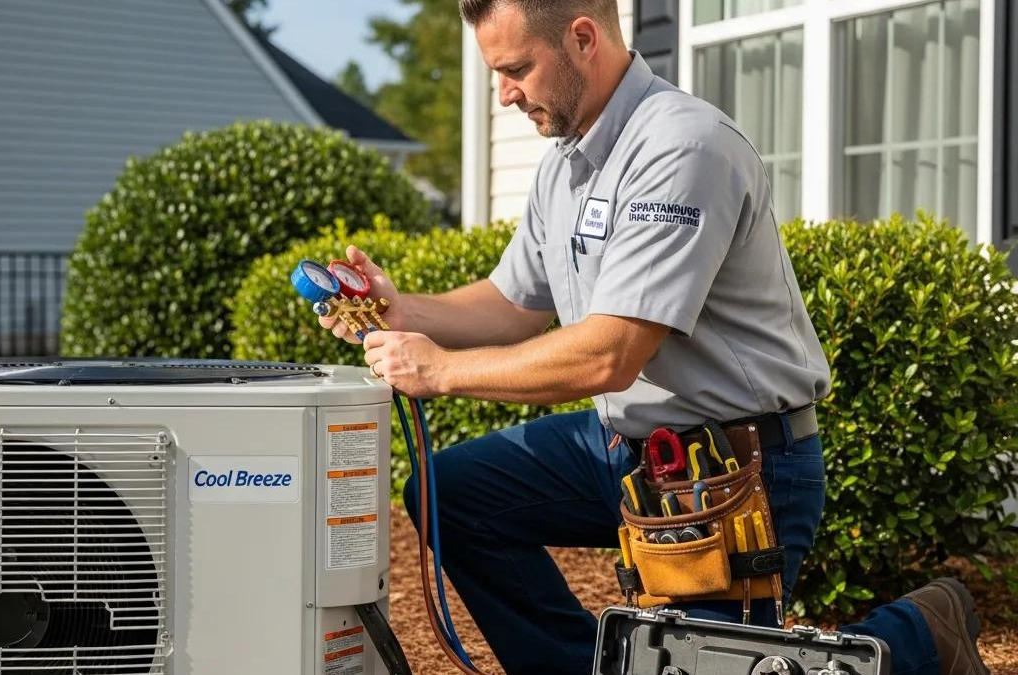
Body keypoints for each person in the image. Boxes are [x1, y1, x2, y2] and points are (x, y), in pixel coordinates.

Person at [319, 2, 990, 674]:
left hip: (737, 468)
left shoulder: (682, 146)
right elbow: (512, 305)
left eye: (516, 69)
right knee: (455, 492)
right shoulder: (566, 163)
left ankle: (916, 634)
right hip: (628, 451)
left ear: (582, 38)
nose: (504, 94)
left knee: (720, 665)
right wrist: (403, 309)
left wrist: (440, 372)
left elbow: (611, 354)